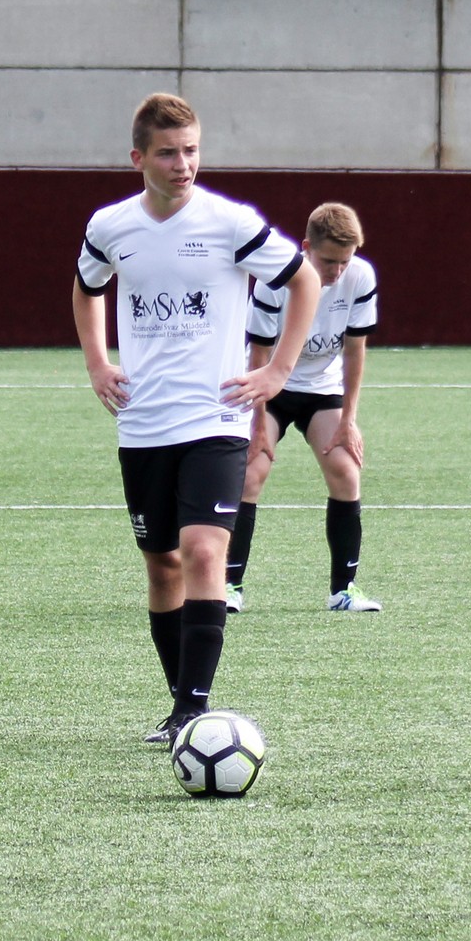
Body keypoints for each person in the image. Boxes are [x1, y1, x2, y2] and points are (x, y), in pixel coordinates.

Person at [72, 93, 320, 745]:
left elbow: (304, 281)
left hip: (217, 418)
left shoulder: (230, 222)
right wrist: (97, 362)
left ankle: (193, 710)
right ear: (138, 159)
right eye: (167, 153)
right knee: (162, 566)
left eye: (191, 151)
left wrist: (278, 372)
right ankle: (179, 704)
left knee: (204, 549)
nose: (183, 164)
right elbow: (87, 286)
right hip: (142, 421)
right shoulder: (110, 226)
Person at [225, 202, 381, 614]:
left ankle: (343, 590)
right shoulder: (275, 281)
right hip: (268, 386)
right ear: (306, 247)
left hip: (321, 389)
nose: (337, 271)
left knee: (346, 469)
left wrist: (348, 421)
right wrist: (258, 426)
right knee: (251, 474)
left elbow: (355, 351)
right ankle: (228, 586)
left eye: (345, 261)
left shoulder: (360, 276)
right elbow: (258, 355)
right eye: (329, 261)